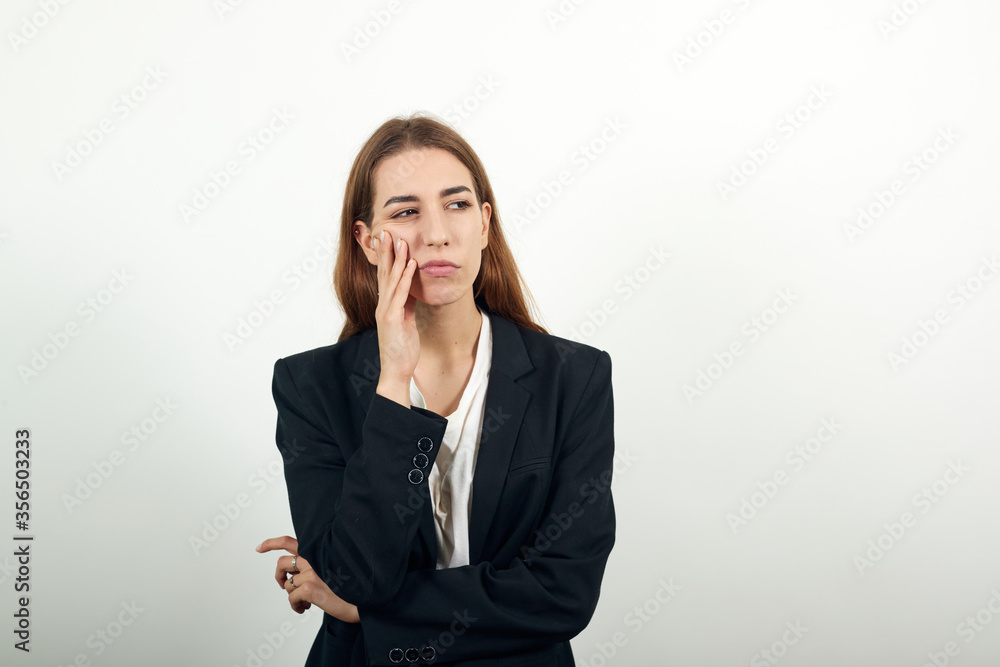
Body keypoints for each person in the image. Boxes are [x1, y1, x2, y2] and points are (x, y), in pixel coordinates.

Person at [256, 113, 615, 666]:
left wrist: (368, 612)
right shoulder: (311, 386)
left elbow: (563, 592)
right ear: (367, 240)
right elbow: (356, 573)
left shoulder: (573, 378)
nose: (437, 233)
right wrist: (394, 380)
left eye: (457, 204)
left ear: (485, 224)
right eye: (405, 212)